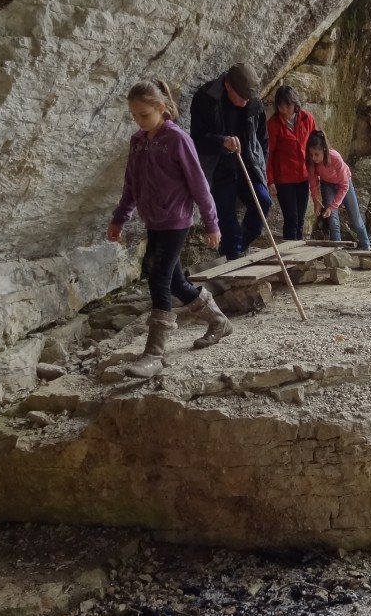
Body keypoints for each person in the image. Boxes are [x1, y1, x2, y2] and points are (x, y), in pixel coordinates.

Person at [107, 79, 233, 379]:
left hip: (176, 221)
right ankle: (219, 322)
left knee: (159, 279)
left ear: (161, 108)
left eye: (144, 114)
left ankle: (154, 354)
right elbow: (131, 185)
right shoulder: (138, 142)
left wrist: (211, 223)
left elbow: (199, 185)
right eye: (134, 115)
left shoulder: (177, 139)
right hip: (153, 221)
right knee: (176, 282)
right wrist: (119, 218)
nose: (139, 121)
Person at [189, 62, 271, 260]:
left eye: (249, 98)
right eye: (242, 97)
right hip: (219, 170)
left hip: (247, 166)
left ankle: (239, 247)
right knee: (228, 224)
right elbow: (197, 140)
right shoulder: (206, 98)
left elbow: (262, 139)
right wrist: (222, 142)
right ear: (227, 86)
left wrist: (261, 166)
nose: (246, 102)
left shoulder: (253, 101)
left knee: (263, 201)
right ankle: (234, 255)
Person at [305, 130, 371, 250]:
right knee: (332, 220)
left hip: (344, 183)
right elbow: (313, 182)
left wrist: (333, 206)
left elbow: (344, 185)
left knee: (355, 218)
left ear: (324, 150)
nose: (313, 158)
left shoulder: (335, 157)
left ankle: (367, 246)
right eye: (311, 154)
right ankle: (338, 249)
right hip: (327, 185)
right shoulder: (312, 162)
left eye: (316, 154)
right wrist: (315, 199)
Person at [266, 85, 317, 239]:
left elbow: (315, 146)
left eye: (288, 106)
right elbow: (269, 154)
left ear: (295, 104)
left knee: (300, 221)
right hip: (284, 179)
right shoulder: (273, 124)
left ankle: (298, 252)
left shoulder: (307, 119)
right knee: (291, 220)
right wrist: (270, 180)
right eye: (280, 106)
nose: (284, 110)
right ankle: (289, 252)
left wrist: (316, 172)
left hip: (303, 177)